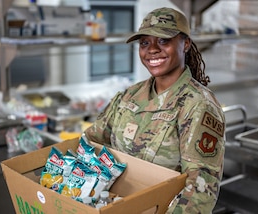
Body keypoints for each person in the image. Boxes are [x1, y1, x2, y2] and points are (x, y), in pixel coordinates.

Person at [84, 7, 225, 213]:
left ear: (185, 44)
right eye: (144, 43)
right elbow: (91, 141)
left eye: (163, 40)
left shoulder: (198, 105)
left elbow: (201, 189)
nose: (152, 49)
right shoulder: (128, 96)